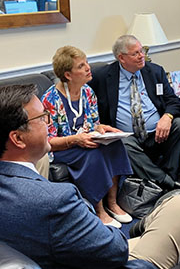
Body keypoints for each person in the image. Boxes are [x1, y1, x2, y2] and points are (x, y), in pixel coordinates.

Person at [0, 84, 180, 269]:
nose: (48, 124)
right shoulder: (52, 201)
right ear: (17, 139)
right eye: (42, 118)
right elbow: (116, 250)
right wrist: (86, 209)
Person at [41, 46, 133, 227]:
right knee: (93, 153)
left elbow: (92, 125)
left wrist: (103, 129)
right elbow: (48, 141)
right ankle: (99, 211)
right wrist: (75, 140)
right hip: (62, 148)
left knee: (115, 145)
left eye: (87, 63)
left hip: (84, 140)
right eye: (81, 66)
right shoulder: (49, 99)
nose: (88, 68)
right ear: (68, 75)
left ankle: (112, 203)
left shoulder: (87, 92)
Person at [90, 35, 180, 194]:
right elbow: (86, 101)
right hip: (126, 136)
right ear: (121, 58)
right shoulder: (102, 76)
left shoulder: (155, 71)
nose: (141, 56)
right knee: (122, 143)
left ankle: (168, 176)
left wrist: (167, 117)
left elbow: (173, 100)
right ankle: (168, 183)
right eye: (135, 53)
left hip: (157, 133)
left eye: (141, 51)